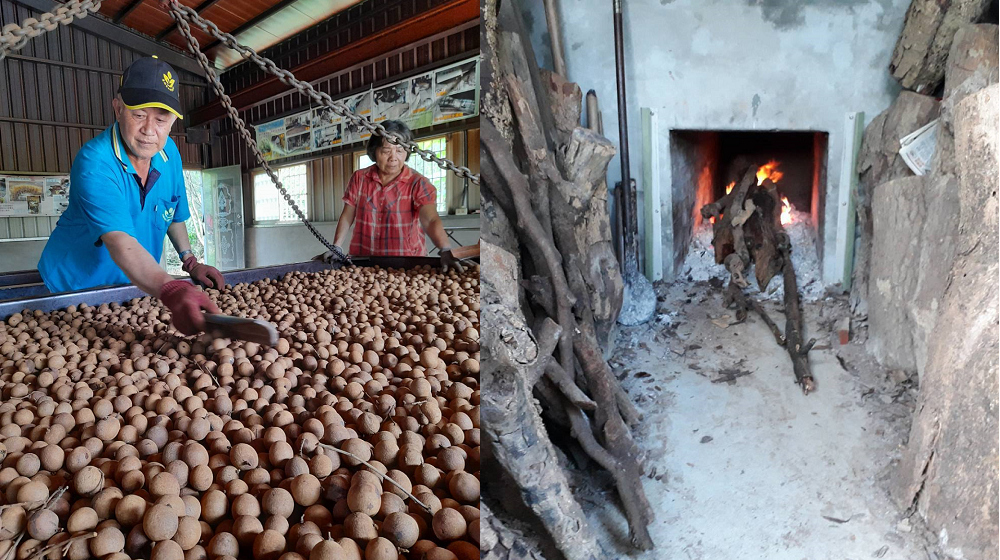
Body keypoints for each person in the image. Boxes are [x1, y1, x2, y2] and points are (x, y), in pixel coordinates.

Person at [38, 57, 224, 335]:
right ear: (118, 109)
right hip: (73, 288)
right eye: (138, 115)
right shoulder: (95, 162)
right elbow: (120, 241)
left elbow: (172, 214)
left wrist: (190, 262)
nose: (150, 130)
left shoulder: (169, 153)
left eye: (161, 119)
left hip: (130, 287)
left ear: (173, 122)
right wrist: (171, 288)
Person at [315, 120, 464, 271]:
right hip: (363, 262)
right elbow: (348, 215)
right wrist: (337, 246)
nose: (393, 158)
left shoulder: (418, 183)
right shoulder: (360, 178)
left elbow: (430, 219)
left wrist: (445, 249)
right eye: (386, 151)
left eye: (399, 151)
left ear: (406, 152)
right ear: (374, 152)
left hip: (406, 265)